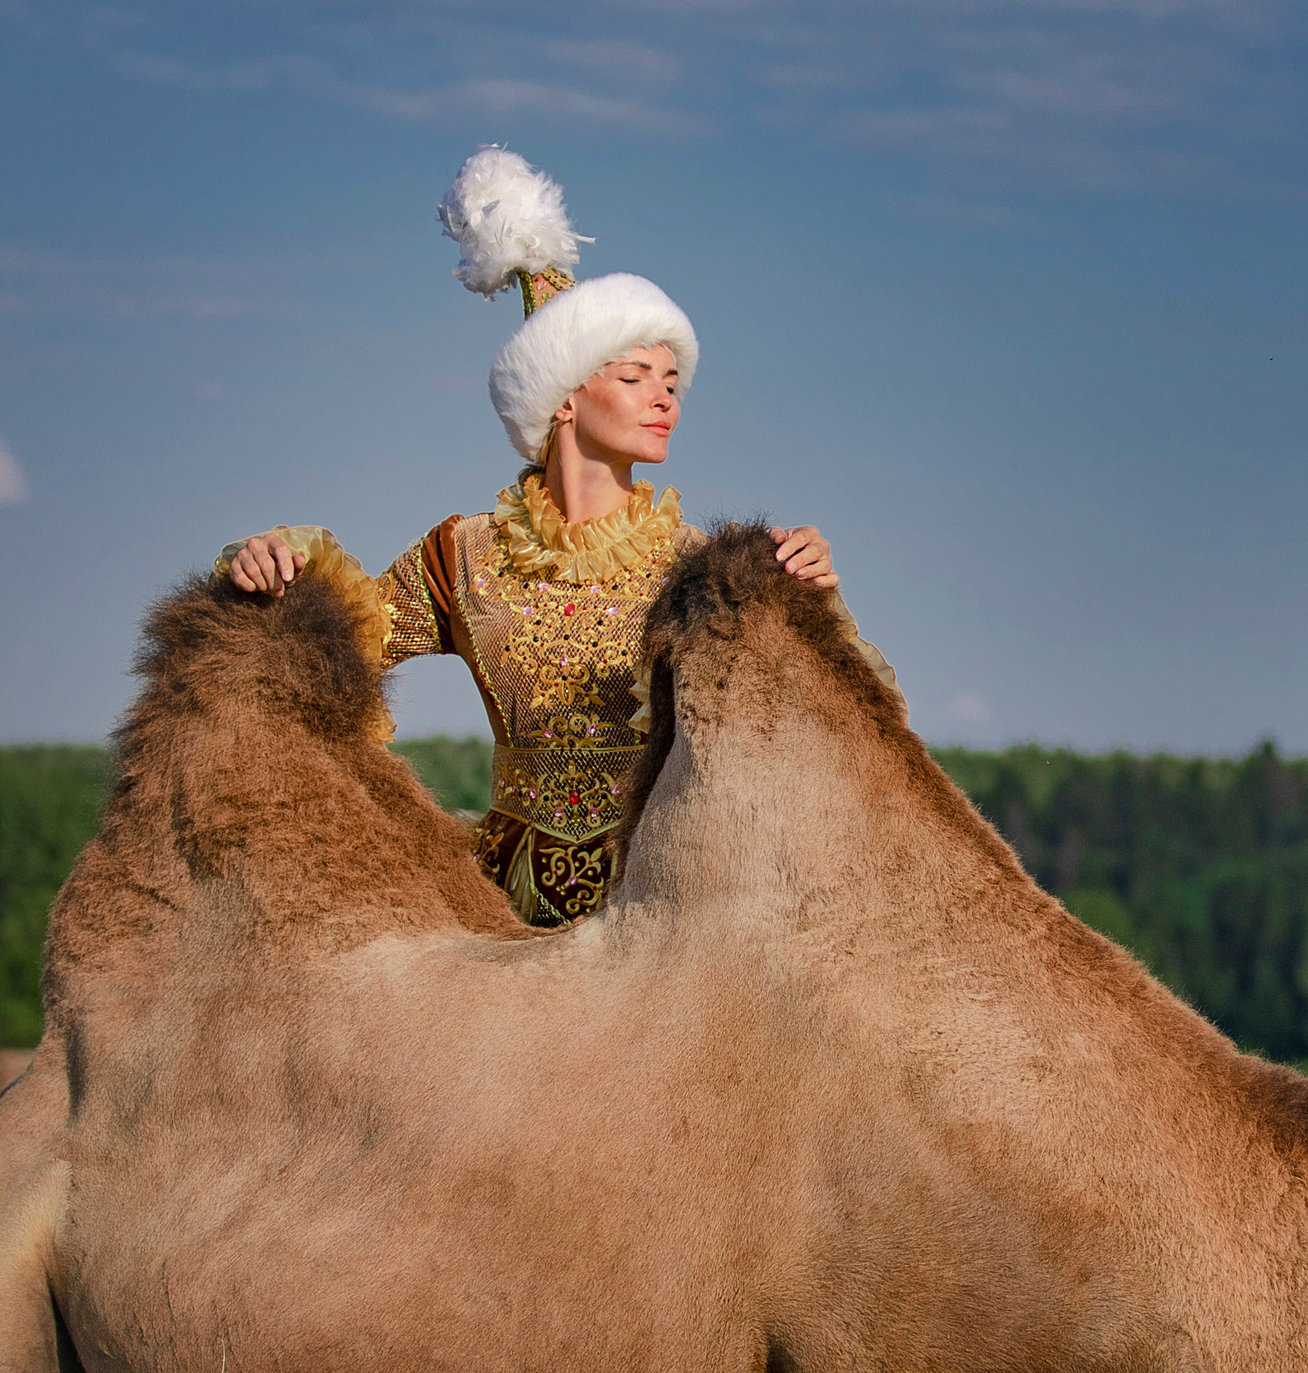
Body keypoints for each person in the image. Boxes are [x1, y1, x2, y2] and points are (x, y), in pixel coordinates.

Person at [220, 147, 890, 926]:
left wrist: (823, 600)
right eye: (636, 377)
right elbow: (334, 637)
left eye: (673, 382)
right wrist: (278, 562)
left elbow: (855, 711)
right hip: (502, 920)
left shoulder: (698, 568)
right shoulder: (463, 557)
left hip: (664, 913)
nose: (663, 398)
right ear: (563, 400)